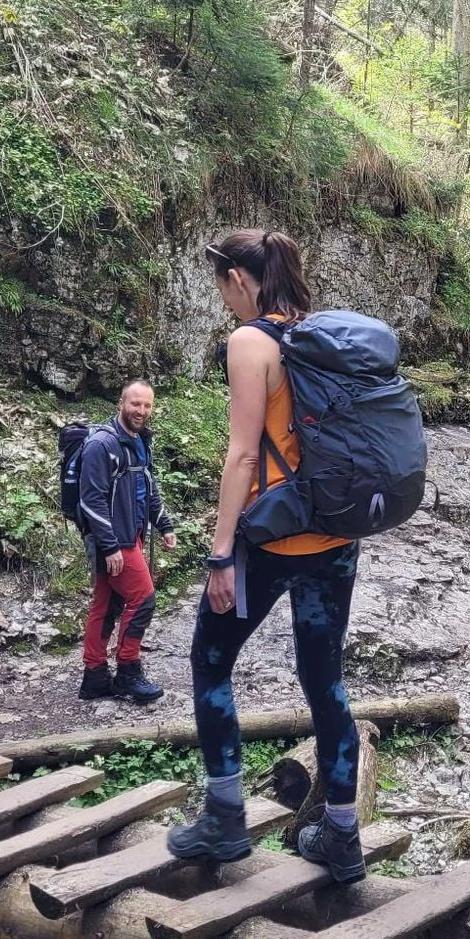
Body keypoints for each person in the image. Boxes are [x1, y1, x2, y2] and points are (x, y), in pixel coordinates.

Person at [166, 228, 368, 884]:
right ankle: (340, 835)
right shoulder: (318, 334)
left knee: (211, 661)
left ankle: (225, 820)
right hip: (334, 537)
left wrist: (221, 552)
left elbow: (244, 454)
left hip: (273, 538)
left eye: (222, 286)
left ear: (241, 281)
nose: (223, 300)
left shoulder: (250, 342)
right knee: (325, 681)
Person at [75, 380, 176, 704]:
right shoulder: (101, 445)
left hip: (130, 536)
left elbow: (148, 486)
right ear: (121, 402)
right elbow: (91, 500)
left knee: (106, 605)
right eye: (135, 404)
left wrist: (164, 524)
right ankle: (129, 671)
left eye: (147, 405)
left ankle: (94, 677)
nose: (141, 411)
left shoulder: (139, 440)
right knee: (143, 598)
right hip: (115, 542)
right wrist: (110, 546)